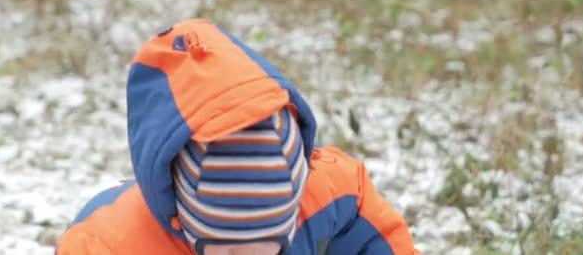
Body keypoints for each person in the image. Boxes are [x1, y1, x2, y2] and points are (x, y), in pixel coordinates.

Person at [56, 19, 420, 255]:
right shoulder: (108, 244)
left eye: (268, 250)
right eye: (228, 252)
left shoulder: (336, 200)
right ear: (187, 215)